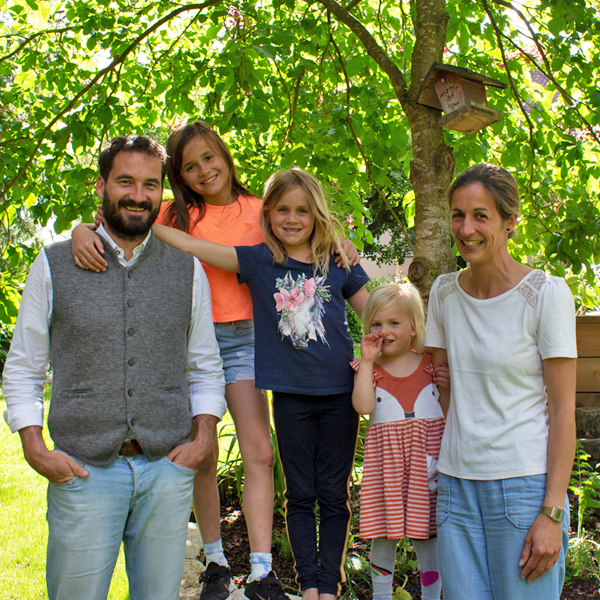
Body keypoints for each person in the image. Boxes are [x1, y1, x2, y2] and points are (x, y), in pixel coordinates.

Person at [71, 122, 359, 600]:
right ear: (178, 176)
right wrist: (85, 229)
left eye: (210, 157)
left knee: (260, 451)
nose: (204, 170)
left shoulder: (258, 211)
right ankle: (217, 563)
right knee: (199, 451)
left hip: (250, 339)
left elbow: (305, 233)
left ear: (225, 156)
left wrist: (341, 244)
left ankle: (262, 570)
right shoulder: (171, 212)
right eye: (189, 165)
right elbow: (120, 219)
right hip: (189, 341)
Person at [2, 135, 227, 600]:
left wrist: (203, 438)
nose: (138, 195)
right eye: (125, 181)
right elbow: (24, 367)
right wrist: (34, 447)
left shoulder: (188, 270)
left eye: (150, 185)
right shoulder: (54, 264)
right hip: (82, 470)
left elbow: (205, 366)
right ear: (102, 185)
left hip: (166, 469)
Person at [149, 167, 370, 600]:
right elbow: (196, 245)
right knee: (300, 495)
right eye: (283, 209)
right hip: (289, 398)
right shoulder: (258, 261)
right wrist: (142, 224)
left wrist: (396, 353)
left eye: (303, 210)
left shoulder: (337, 262)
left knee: (334, 495)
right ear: (267, 214)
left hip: (341, 395)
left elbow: (377, 313)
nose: (292, 218)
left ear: (317, 214)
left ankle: (330, 585)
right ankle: (308, 585)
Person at [424, 163, 577, 600]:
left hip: (525, 487)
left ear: (510, 223)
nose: (465, 228)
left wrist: (552, 510)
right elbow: (445, 385)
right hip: (456, 487)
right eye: (457, 214)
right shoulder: (443, 293)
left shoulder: (546, 294)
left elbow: (563, 409)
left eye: (480, 215)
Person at [351, 283, 447, 600]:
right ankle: (381, 595)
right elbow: (363, 406)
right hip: (386, 467)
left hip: (425, 467)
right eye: (376, 324)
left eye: (394, 323)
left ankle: (432, 596)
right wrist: (366, 362)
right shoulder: (370, 370)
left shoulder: (430, 366)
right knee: (383, 533)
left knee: (427, 535)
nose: (384, 331)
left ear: (414, 328)